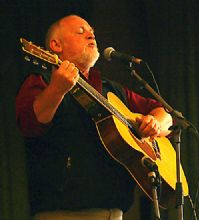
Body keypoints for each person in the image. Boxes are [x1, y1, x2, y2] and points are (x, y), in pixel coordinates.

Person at [15, 15, 173, 220]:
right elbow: (30, 124)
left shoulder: (112, 90)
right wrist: (57, 89)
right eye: (81, 31)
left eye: (91, 31)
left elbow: (165, 114)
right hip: (62, 213)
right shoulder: (41, 80)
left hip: (114, 213)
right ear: (55, 45)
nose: (91, 34)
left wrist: (155, 123)